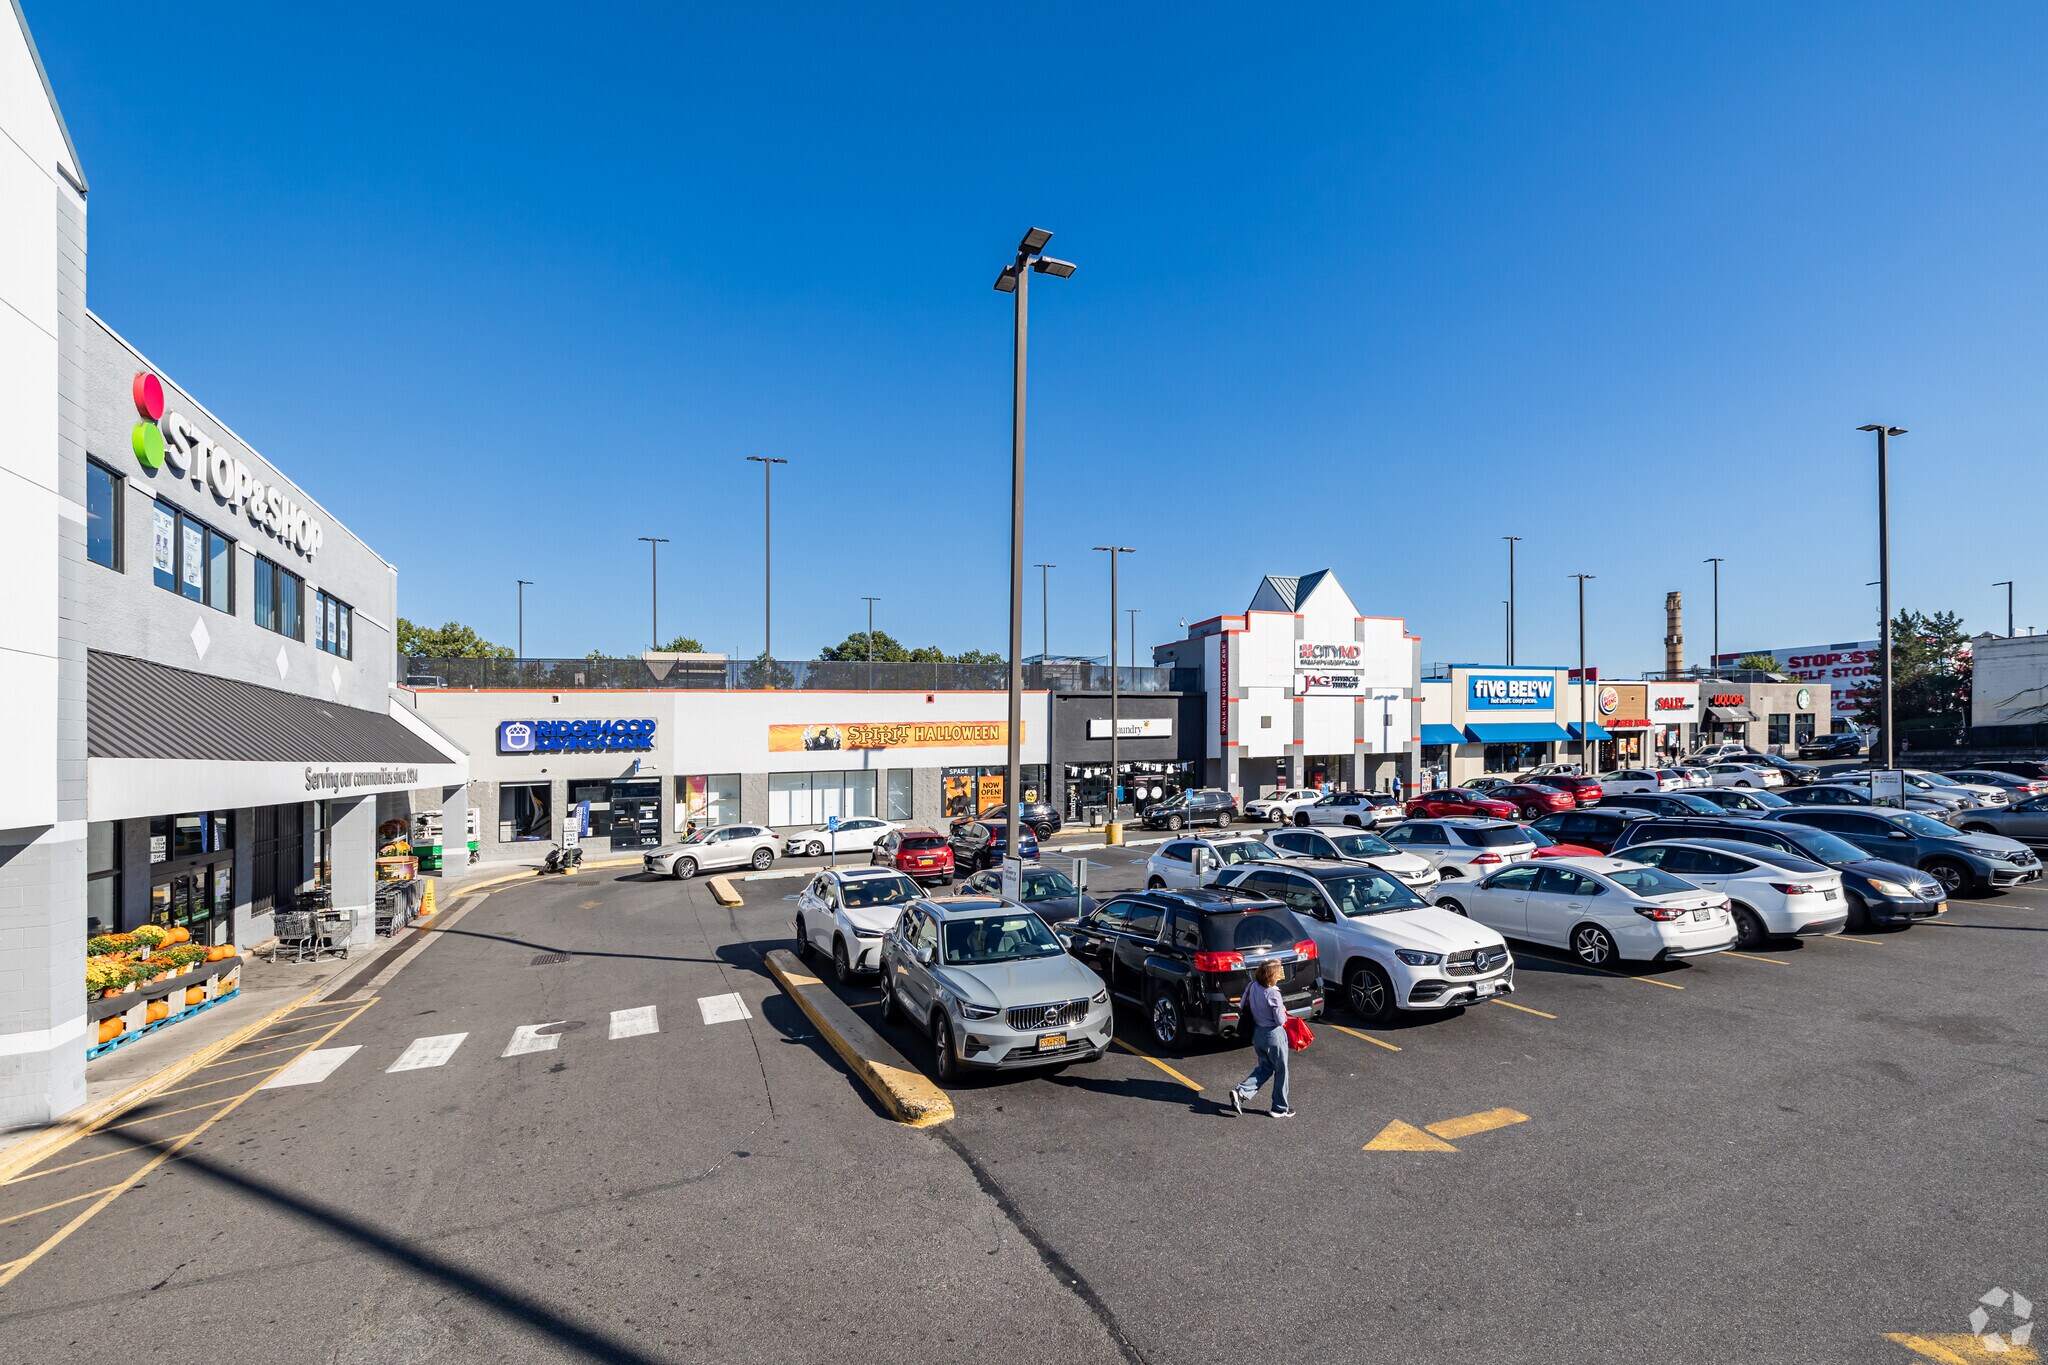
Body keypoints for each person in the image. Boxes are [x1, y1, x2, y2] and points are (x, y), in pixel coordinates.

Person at [1227, 960, 1293, 1118]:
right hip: (1274, 1036)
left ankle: (1241, 1092)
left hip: (1257, 1034)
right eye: (1279, 972)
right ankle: (1279, 1107)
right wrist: (1282, 1009)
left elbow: (1243, 1005)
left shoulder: (1252, 986)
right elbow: (1280, 1021)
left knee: (1265, 1068)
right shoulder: (1273, 994)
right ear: (1272, 976)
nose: (1280, 975)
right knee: (1281, 1070)